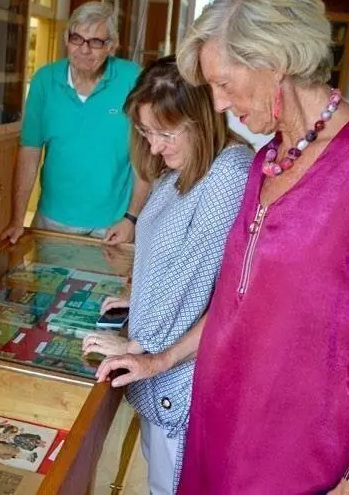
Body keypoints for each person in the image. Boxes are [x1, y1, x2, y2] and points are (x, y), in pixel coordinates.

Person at [97, 0, 349, 494]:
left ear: (277, 60)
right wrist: (157, 359)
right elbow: (233, 301)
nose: (219, 104)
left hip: (298, 453)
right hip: (217, 423)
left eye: (224, 84)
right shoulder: (266, 161)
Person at [84, 56, 252, 494]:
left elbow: (194, 282)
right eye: (145, 133)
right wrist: (137, 301)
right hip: (162, 372)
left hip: (182, 379)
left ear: (199, 119)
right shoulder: (186, 166)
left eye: (164, 132)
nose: (154, 147)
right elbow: (170, 261)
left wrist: (138, 345)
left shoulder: (228, 173)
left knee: (171, 484)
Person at [0, 1, 147, 245]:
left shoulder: (134, 79)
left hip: (113, 225)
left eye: (96, 42)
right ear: (66, 39)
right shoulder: (44, 81)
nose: (84, 49)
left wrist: (131, 218)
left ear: (112, 46)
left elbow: (144, 156)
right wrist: (17, 219)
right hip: (52, 221)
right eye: (77, 38)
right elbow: (30, 152)